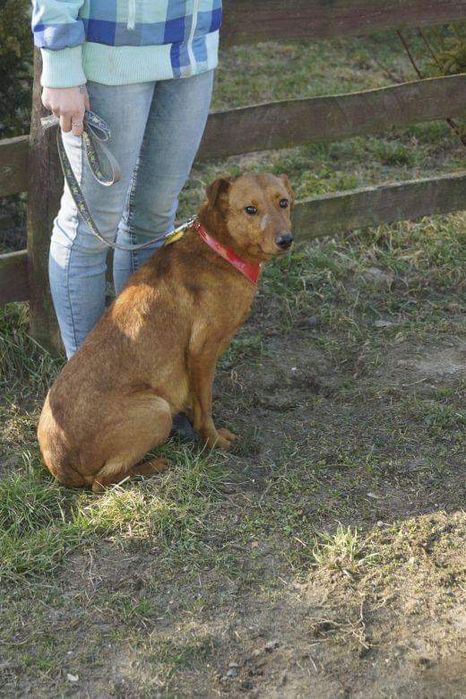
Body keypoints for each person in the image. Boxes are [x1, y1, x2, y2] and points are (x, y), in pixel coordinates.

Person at [32, 0, 222, 359]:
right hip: (109, 52)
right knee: (90, 228)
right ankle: (90, 390)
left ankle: (140, 370)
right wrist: (59, 65)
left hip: (193, 51)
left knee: (154, 218)